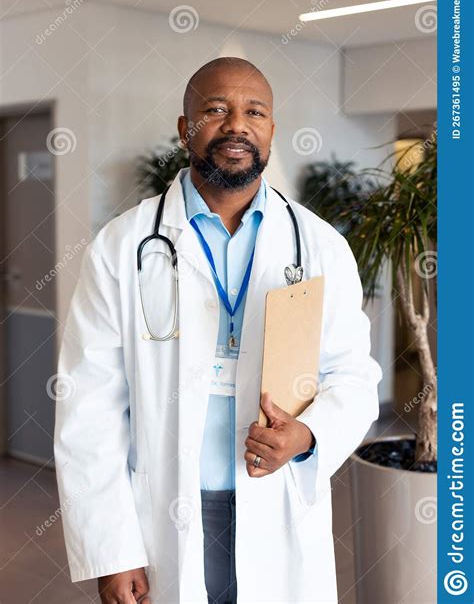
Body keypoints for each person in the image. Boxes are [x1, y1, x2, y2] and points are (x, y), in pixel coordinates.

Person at [54, 57, 382, 604]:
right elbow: (88, 405)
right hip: (164, 507)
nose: (237, 124)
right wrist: (112, 549)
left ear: (272, 130)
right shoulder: (123, 246)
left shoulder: (321, 246)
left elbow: (353, 376)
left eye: (254, 111)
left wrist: (307, 435)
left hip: (275, 499)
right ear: (185, 129)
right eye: (215, 109)